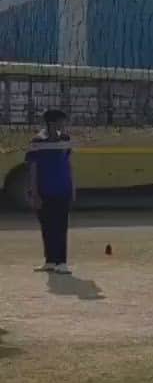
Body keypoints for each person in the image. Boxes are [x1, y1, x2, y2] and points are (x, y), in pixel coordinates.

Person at [27, 109, 74, 274]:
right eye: (61, 121)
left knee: (61, 227)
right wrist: (34, 193)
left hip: (62, 190)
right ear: (52, 123)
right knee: (47, 227)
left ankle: (62, 262)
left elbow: (68, 164)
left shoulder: (66, 139)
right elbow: (33, 168)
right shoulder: (37, 141)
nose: (63, 125)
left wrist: (72, 187)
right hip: (44, 190)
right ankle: (50, 261)